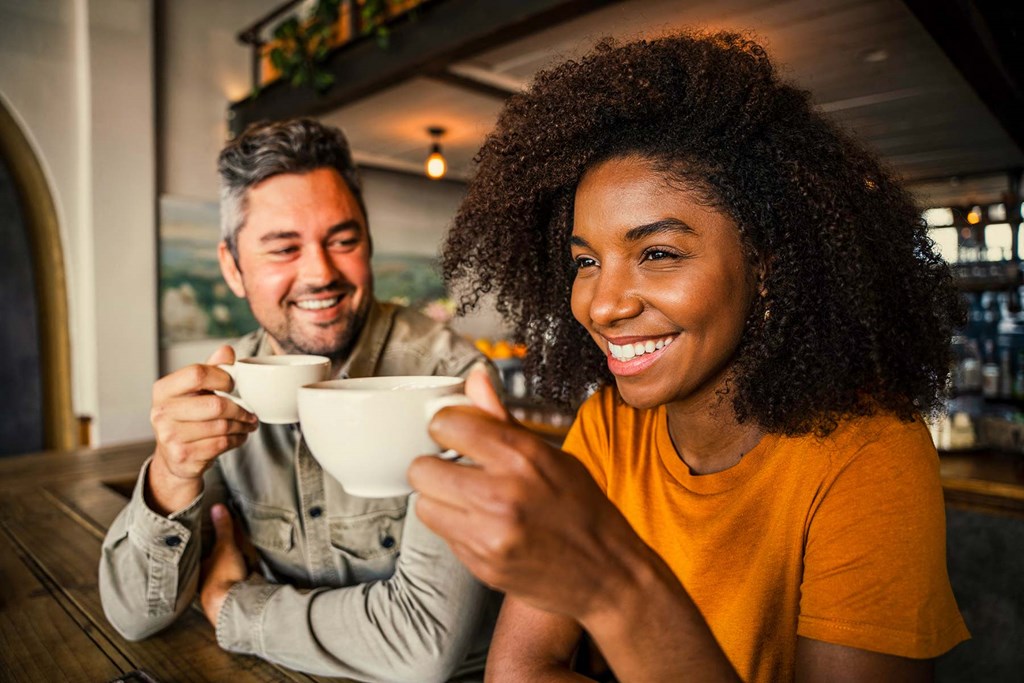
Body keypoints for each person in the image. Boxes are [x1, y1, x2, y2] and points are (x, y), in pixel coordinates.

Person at [407, 31, 971, 681]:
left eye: (658, 253)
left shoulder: (868, 452)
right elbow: (519, 671)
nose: (602, 304)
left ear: (767, 265)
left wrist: (615, 589)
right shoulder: (610, 425)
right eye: (586, 261)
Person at [99, 118, 500, 682]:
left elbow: (423, 647)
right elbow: (134, 618)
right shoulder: (226, 382)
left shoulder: (449, 379)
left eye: (343, 240)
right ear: (232, 268)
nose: (320, 273)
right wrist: (172, 472)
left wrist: (232, 607)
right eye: (284, 248)